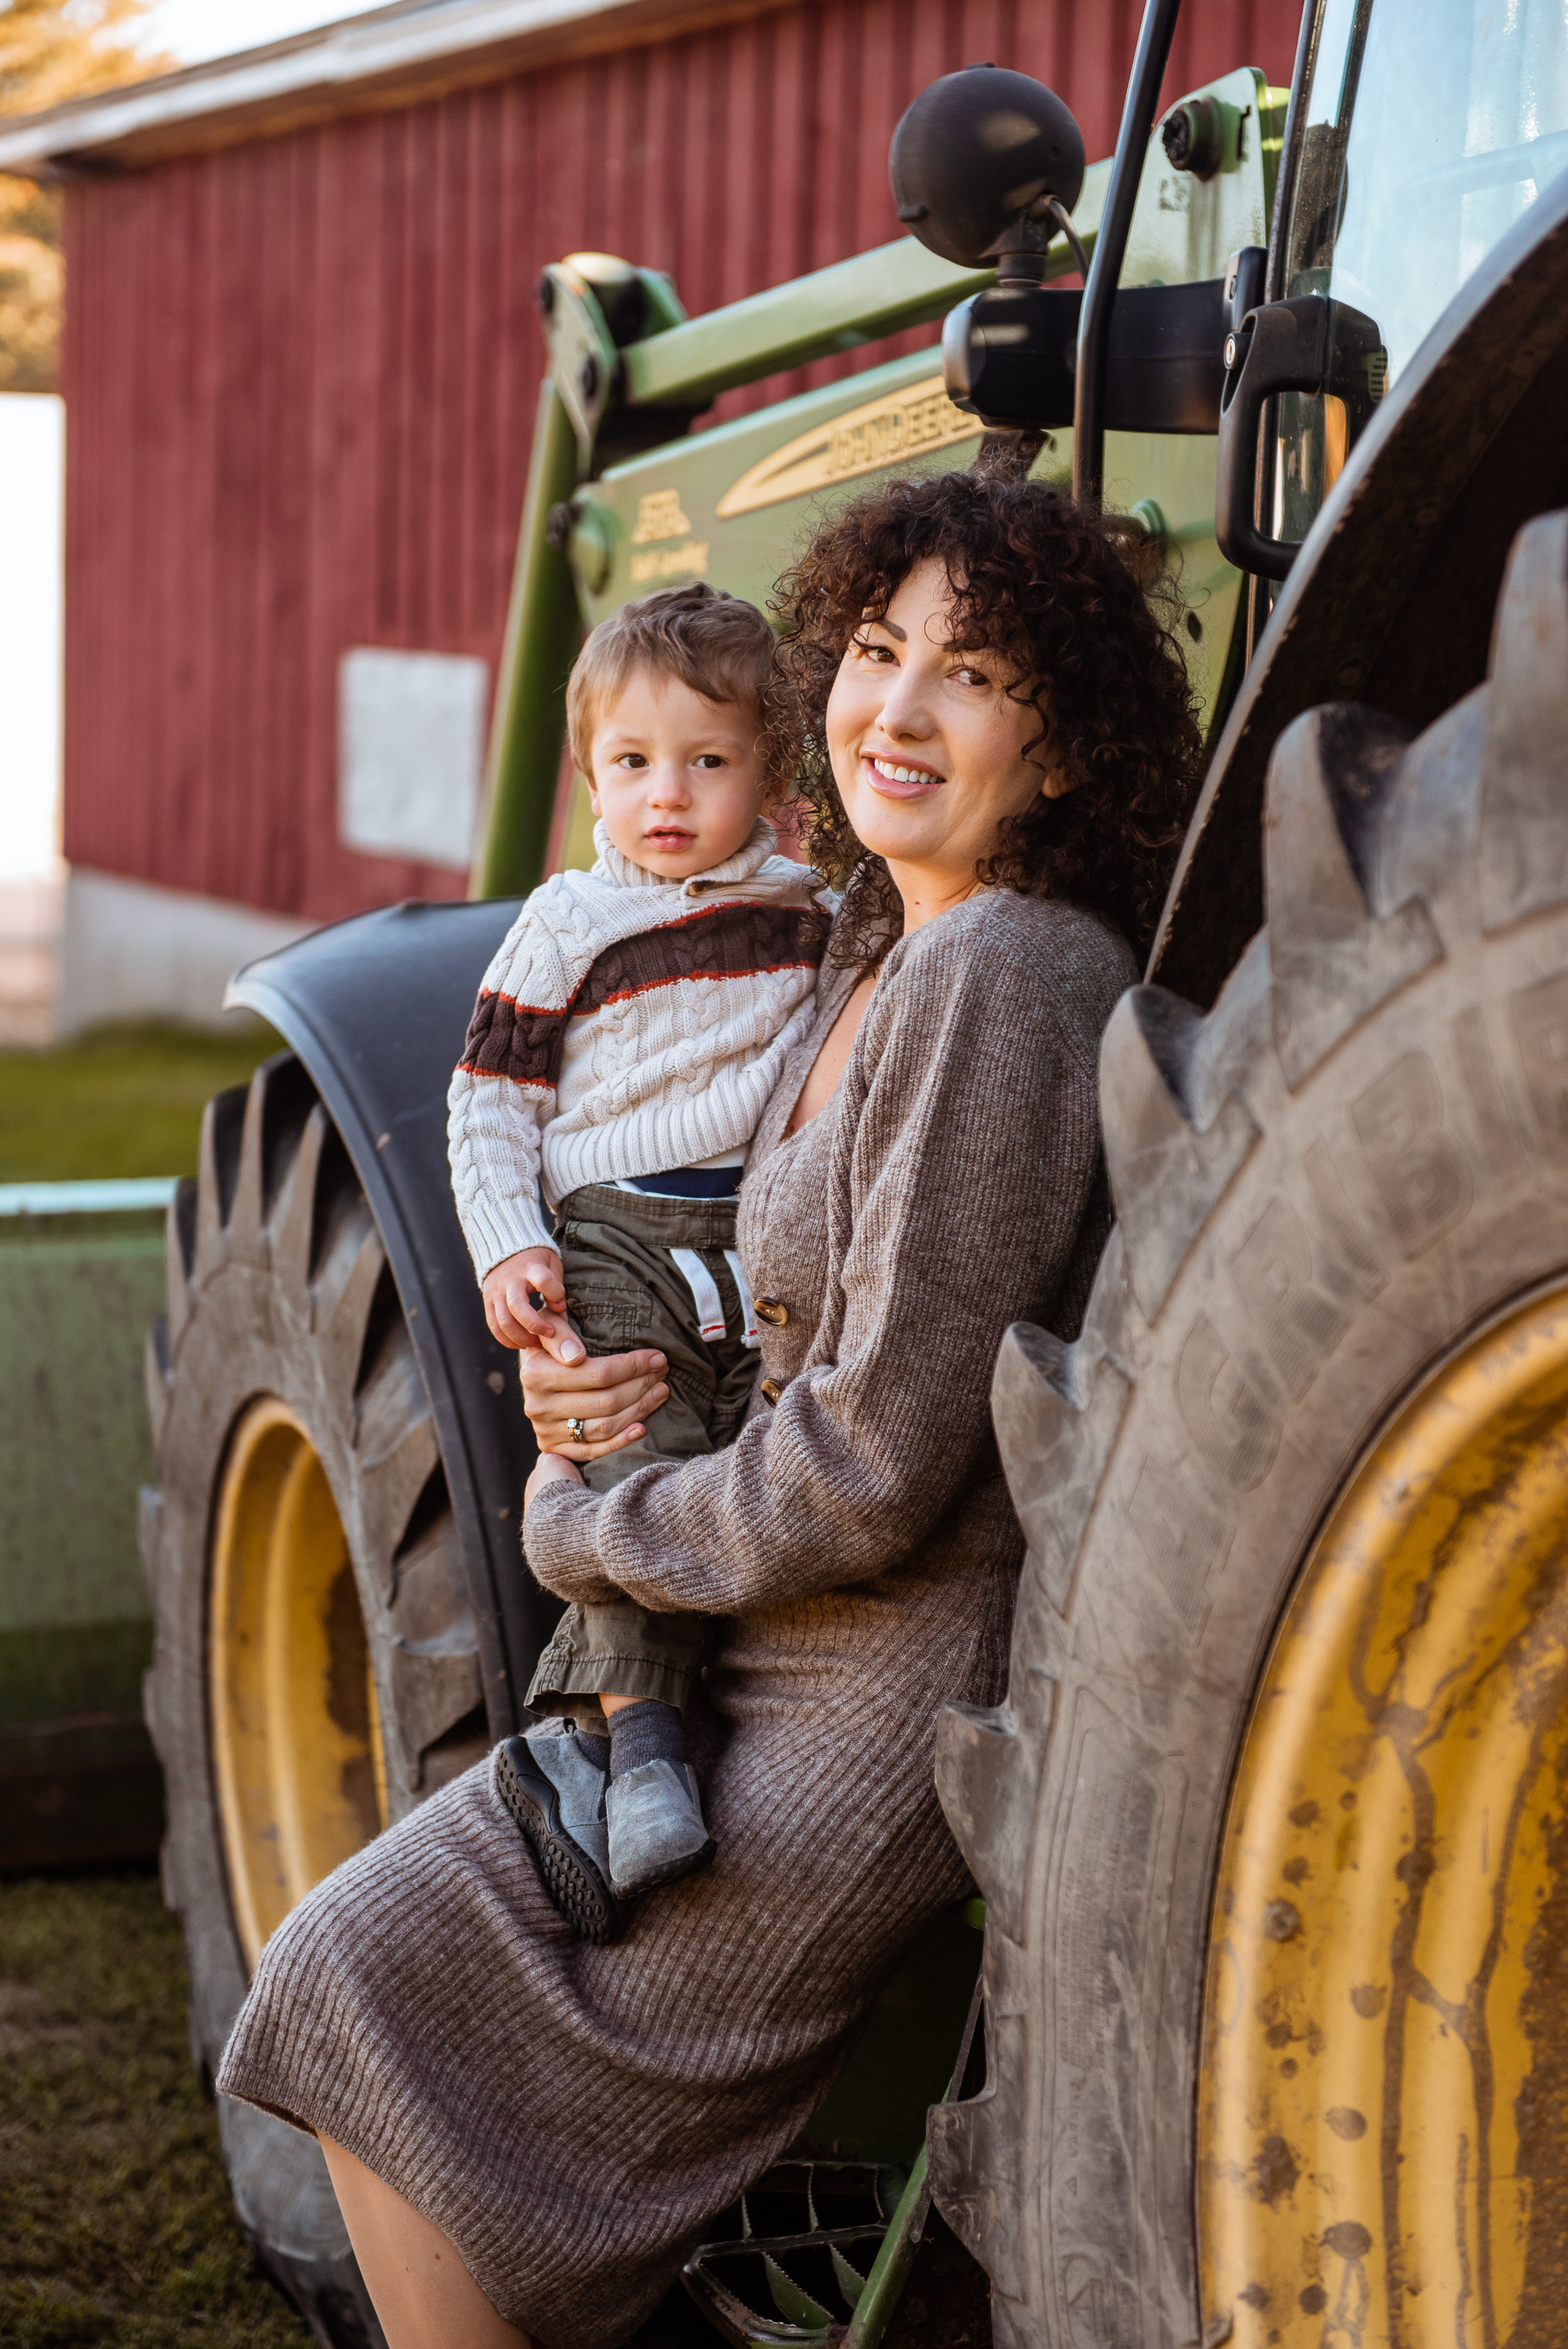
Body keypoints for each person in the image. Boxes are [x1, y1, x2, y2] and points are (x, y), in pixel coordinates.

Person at [217, 467, 1202, 2349]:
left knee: (370, 1988)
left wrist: (590, 1522)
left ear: (1063, 746)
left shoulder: (1005, 971)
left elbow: (882, 1457)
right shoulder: (861, 946)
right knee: (344, 1972)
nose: (896, 709)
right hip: (743, 1642)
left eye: (972, 674)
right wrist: (586, 1356)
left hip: (869, 1698)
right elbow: (693, 1235)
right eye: (879, 650)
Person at [447, 582, 828, 1926]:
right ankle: (648, 1751)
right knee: (635, 1459)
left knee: (740, 1463)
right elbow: (489, 1103)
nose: (667, 794)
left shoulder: (810, 912)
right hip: (613, 1225)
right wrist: (509, 1245)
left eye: (708, 762)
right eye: (632, 762)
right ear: (589, 774)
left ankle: (601, 1751)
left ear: (770, 778)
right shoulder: (567, 921)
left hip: (751, 1227)